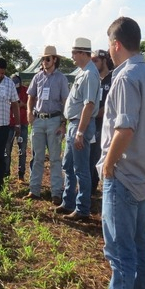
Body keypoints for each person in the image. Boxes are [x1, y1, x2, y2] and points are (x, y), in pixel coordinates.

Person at [87, 16, 145, 289]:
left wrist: (108, 165)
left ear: (116, 45)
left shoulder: (124, 78)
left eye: (108, 44)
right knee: (139, 243)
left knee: (120, 250)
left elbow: (125, 127)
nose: (108, 49)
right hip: (144, 173)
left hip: (123, 173)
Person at [56, 37, 100, 219]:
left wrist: (80, 132)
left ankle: (82, 209)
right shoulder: (83, 72)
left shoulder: (90, 74)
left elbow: (88, 105)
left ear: (83, 53)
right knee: (68, 164)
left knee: (81, 168)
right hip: (74, 124)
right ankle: (68, 202)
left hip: (80, 125)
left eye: (74, 53)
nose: (72, 56)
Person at [26, 46, 70, 204]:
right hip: (38, 120)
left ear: (54, 60)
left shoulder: (61, 79)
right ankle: (34, 190)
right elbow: (31, 96)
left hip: (54, 121)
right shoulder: (37, 77)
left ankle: (56, 193)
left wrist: (63, 123)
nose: (44, 62)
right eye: (43, 59)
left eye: (47, 59)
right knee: (37, 157)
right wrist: (29, 112)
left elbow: (66, 102)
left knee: (54, 159)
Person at [0, 57, 20, 190]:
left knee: (0, 155)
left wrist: (17, 124)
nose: (0, 75)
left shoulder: (9, 83)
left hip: (3, 125)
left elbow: (15, 104)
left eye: (2, 73)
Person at [89, 49, 114, 194]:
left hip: (106, 125)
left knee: (100, 156)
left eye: (95, 61)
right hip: (92, 123)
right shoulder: (93, 78)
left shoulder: (113, 79)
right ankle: (90, 189)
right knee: (90, 156)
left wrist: (93, 114)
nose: (93, 64)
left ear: (104, 61)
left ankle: (101, 189)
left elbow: (110, 105)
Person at [8, 73, 30, 181]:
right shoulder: (8, 90)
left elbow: (30, 106)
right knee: (7, 150)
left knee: (22, 150)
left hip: (23, 124)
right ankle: (6, 174)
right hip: (9, 124)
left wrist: (22, 104)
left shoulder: (26, 91)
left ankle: (21, 174)